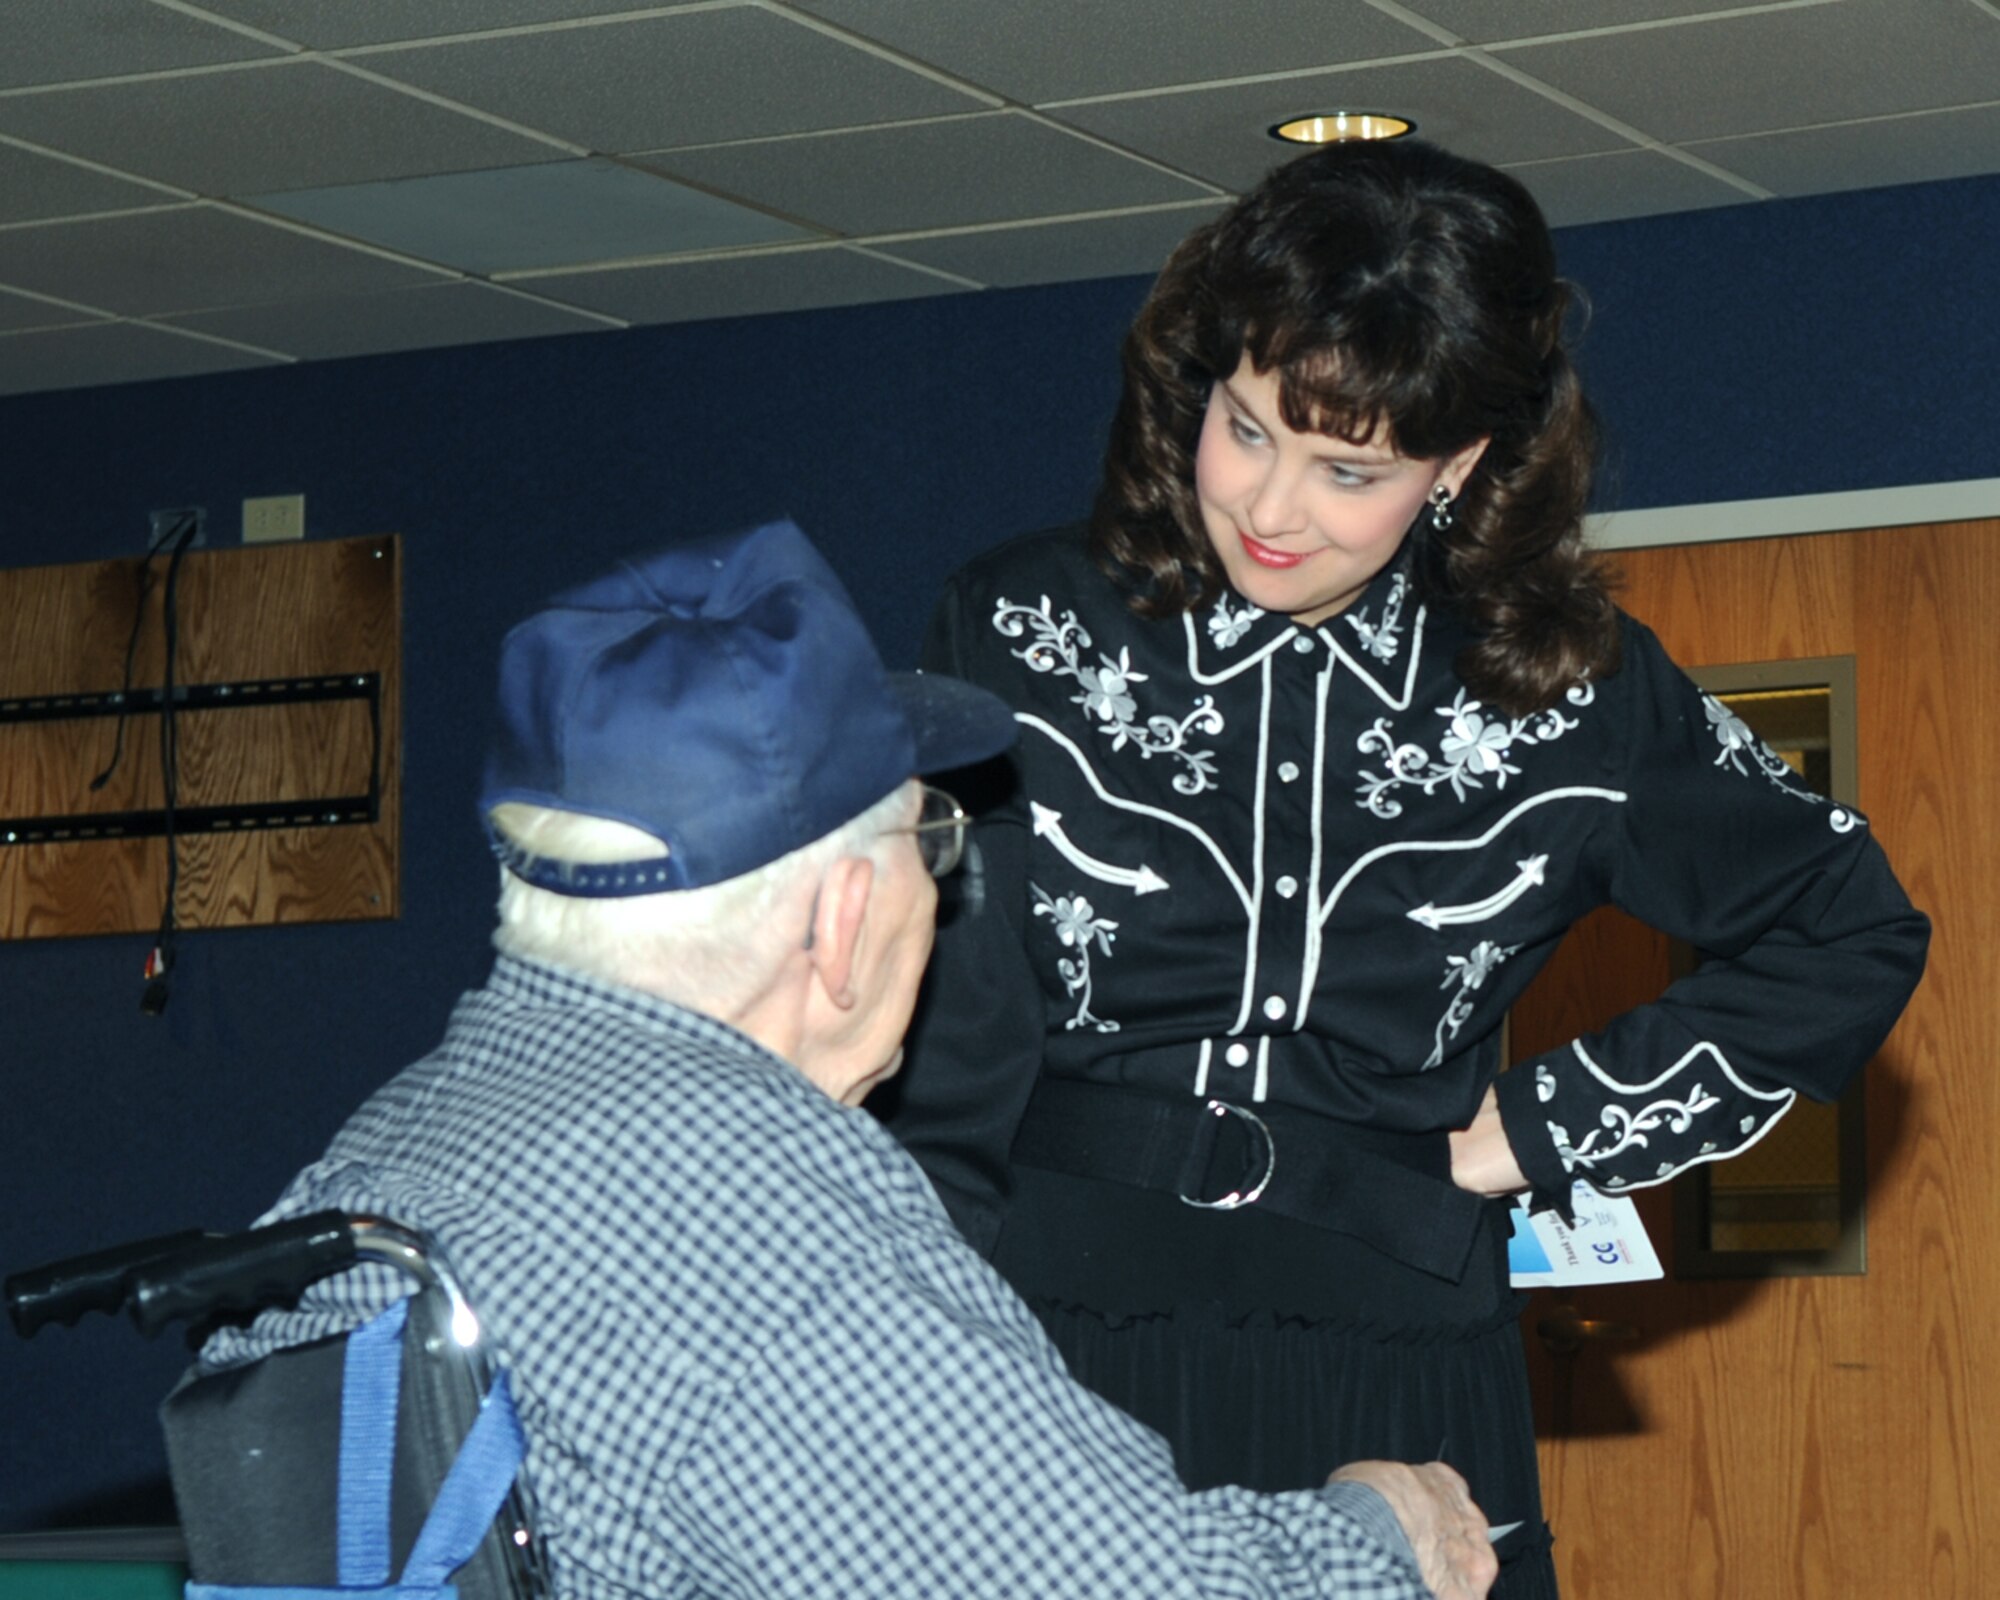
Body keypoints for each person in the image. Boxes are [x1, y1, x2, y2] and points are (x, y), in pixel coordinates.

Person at [886, 140, 1931, 1600]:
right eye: (1245, 429)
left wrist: (1538, 1130)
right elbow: (915, 995)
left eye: (1350, 469)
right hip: (1040, 1339)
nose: (1272, 507)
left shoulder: (1572, 686)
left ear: (1464, 464)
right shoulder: (1014, 621)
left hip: (1396, 1357)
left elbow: (1850, 928)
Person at [195, 519, 1499, 1600]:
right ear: (840, 918)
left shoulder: (381, 1154)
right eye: (932, 837)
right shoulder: (759, 1212)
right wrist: (1382, 1539)